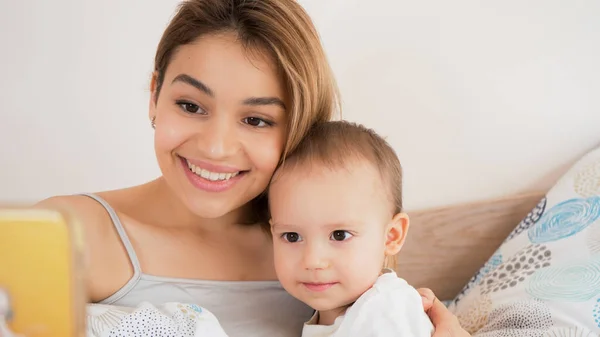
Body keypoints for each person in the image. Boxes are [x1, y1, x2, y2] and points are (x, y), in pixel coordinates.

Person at [35, 0, 470, 336]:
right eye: (190, 105)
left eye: (257, 119)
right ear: (154, 95)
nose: (216, 147)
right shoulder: (68, 233)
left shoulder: (323, 257)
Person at [268, 121, 434, 336]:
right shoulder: (340, 314)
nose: (312, 261)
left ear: (391, 236)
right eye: (292, 236)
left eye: (339, 235)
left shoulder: (384, 310)